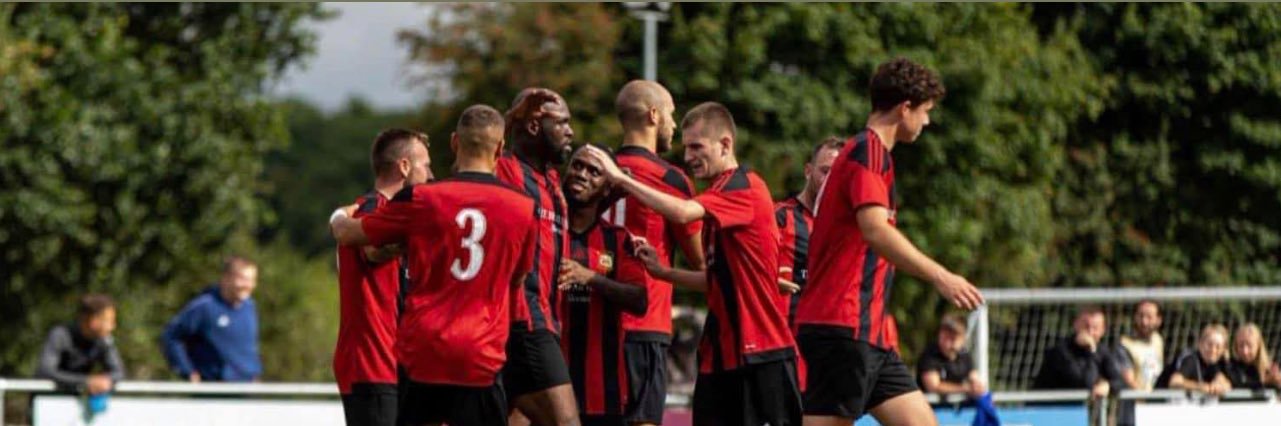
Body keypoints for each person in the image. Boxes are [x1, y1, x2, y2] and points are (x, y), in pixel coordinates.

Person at [582, 102, 802, 426]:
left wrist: (621, 179)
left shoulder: (742, 187)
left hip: (759, 348)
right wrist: (662, 272)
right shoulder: (719, 200)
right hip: (719, 351)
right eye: (686, 148)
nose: (687, 157)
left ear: (725, 144)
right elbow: (713, 279)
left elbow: (683, 212)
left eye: (697, 147)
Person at [792, 57, 983, 426]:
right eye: (925, 111)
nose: (926, 121)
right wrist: (940, 275)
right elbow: (875, 228)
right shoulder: (869, 151)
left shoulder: (865, 152)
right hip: (842, 327)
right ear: (904, 108)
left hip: (869, 333)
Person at [330, 104, 538, 426]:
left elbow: (351, 234)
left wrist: (341, 214)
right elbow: (518, 278)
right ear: (500, 148)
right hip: (481, 352)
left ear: (455, 142)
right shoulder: (523, 208)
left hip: (425, 351)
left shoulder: (423, 199)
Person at [608, 80, 705, 426]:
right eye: (670, 114)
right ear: (653, 115)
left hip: (594, 321)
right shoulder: (669, 179)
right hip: (645, 322)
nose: (674, 125)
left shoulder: (592, 171)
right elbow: (699, 260)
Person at [333, 128, 432, 426]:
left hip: (396, 365)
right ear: (404, 166)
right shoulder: (372, 209)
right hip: (373, 365)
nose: (431, 174)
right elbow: (375, 250)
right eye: (425, 165)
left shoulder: (387, 213)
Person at [495, 88, 581, 426]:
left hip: (547, 318)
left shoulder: (552, 181)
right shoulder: (506, 170)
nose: (570, 131)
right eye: (561, 123)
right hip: (523, 319)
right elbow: (478, 146)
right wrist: (511, 117)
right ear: (533, 126)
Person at [557, 145, 652, 425]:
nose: (581, 174)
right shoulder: (547, 230)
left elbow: (640, 300)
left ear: (608, 189)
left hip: (602, 390)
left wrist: (592, 278)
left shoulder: (619, 239)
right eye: (577, 165)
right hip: (545, 385)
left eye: (594, 171)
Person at [775, 136, 844, 326]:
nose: (830, 181)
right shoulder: (780, 217)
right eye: (825, 171)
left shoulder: (845, 228)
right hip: (780, 338)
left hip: (822, 341)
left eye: (837, 174)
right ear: (808, 171)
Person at [162, 256, 262, 382]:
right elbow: (171, 336)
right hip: (213, 388)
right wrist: (187, 371)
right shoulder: (205, 307)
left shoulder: (250, 307)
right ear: (226, 279)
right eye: (243, 279)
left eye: (252, 280)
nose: (248, 285)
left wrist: (253, 373)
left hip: (246, 388)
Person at [36, 294, 125, 395]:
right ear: (93, 321)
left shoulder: (104, 341)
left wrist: (103, 381)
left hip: (77, 404)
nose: (112, 327)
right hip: (47, 402)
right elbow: (46, 371)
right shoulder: (60, 335)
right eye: (108, 321)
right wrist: (86, 381)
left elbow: (118, 373)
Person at [1033, 307, 1125, 400]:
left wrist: (1108, 386)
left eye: (1095, 328)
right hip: (1049, 408)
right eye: (1086, 326)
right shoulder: (1061, 351)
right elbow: (1085, 383)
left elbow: (1120, 382)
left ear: (1102, 331)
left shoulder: (1103, 351)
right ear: (1076, 325)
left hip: (1076, 410)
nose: (1090, 332)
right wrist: (1090, 351)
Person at [916, 314, 985, 398]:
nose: (947, 342)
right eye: (945, 336)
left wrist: (977, 386)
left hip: (957, 408)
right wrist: (965, 389)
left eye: (952, 338)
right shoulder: (929, 356)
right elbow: (933, 386)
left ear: (963, 339)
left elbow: (974, 377)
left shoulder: (964, 356)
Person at [1163, 324, 1232, 396]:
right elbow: (1174, 382)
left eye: (1218, 347)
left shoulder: (1214, 363)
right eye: (1209, 344)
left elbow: (1224, 381)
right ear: (1200, 344)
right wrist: (1200, 387)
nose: (1213, 350)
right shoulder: (1190, 359)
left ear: (1224, 350)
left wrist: (1220, 386)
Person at [1115, 300, 1164, 392]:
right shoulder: (1125, 345)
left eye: (1149, 317)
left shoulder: (1157, 339)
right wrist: (1146, 399)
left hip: (1157, 400)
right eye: (1140, 316)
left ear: (1158, 320)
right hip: (1136, 402)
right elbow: (1129, 380)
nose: (1144, 322)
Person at [1226, 323, 1281, 390]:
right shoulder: (1230, 366)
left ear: (1258, 346)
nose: (1245, 351)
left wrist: (1277, 383)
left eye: (1249, 345)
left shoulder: (1269, 369)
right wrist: (1264, 382)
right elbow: (1238, 385)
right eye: (1241, 345)